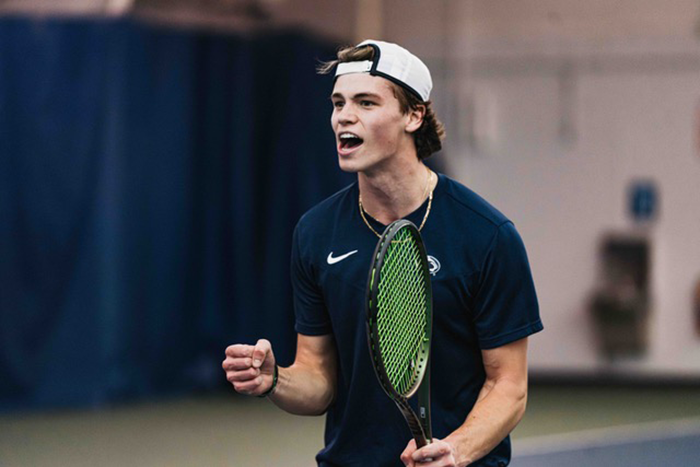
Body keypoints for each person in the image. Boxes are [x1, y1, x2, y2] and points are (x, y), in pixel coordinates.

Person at [222, 40, 543, 467]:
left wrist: (456, 450)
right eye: (338, 103)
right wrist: (275, 379)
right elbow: (318, 378)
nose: (344, 117)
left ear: (414, 115)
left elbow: (509, 387)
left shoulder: (488, 236)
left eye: (366, 102)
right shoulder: (315, 233)